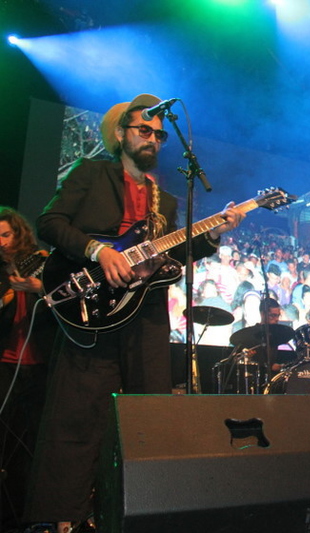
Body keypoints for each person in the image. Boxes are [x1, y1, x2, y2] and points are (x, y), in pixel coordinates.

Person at [24, 94, 245, 533]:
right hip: (93, 307)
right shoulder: (91, 173)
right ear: (120, 133)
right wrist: (98, 250)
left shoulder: (165, 201)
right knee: (77, 412)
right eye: (144, 130)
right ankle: (61, 519)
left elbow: (173, 256)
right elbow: (50, 222)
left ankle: (144, 513)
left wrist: (213, 235)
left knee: (150, 415)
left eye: (160, 135)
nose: (153, 139)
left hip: (144, 313)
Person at [0, 207, 54, 531]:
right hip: (6, 360)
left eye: (5, 234)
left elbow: (63, 298)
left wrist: (38, 289)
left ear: (18, 233)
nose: (1, 242)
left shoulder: (42, 260)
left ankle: (30, 513)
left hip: (39, 360)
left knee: (33, 440)